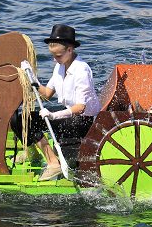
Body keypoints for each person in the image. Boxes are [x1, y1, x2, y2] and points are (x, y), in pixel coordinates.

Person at [13, 24, 101, 181]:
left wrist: (54, 115)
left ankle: (53, 164)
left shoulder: (81, 70)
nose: (55, 59)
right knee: (20, 119)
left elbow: (80, 107)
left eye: (58, 56)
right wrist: (30, 77)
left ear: (70, 49)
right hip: (68, 114)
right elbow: (47, 93)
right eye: (53, 56)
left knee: (32, 123)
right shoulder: (59, 66)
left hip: (81, 120)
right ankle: (32, 153)